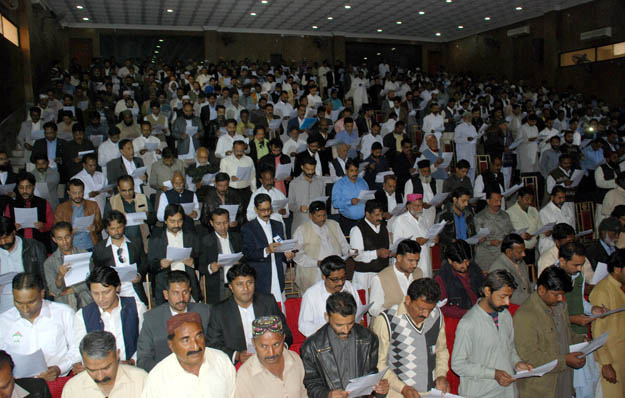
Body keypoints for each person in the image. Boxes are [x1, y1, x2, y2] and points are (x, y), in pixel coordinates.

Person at [451, 270, 532, 398]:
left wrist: (517, 363)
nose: (507, 303)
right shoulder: (468, 323)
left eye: (509, 297)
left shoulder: (505, 315)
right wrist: (493, 374)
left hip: (507, 391)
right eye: (502, 296)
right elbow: (458, 364)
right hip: (481, 393)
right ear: (487, 291)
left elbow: (509, 348)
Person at [513, 266, 587, 398]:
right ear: (541, 290)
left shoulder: (560, 307)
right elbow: (530, 356)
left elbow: (566, 335)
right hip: (541, 387)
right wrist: (564, 360)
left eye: (562, 295)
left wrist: (582, 341)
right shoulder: (525, 315)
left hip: (563, 378)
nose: (560, 299)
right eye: (556, 294)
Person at [300, 292, 389, 398]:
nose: (346, 330)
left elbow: (371, 375)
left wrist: (380, 389)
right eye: (339, 325)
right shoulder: (311, 347)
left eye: (350, 323)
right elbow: (311, 385)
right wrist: (328, 395)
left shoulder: (368, 339)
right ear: (327, 317)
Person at [372, 278, 449, 397]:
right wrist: (402, 388)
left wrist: (441, 375)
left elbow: (441, 350)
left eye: (430, 309)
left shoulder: (437, 315)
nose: (426, 314)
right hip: (398, 393)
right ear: (408, 300)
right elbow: (379, 364)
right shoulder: (387, 320)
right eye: (421, 308)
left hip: (430, 392)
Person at [206, 263, 291, 365]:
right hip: (239, 364)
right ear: (230, 287)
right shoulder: (219, 311)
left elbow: (285, 332)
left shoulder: (268, 302)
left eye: (249, 283)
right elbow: (212, 344)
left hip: (271, 358)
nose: (246, 288)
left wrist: (279, 349)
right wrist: (237, 355)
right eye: (239, 284)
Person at [0, 273, 78, 381]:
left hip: (56, 381)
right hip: (18, 385)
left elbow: (77, 348)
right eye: (19, 303)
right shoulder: (3, 321)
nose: (25, 309)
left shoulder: (63, 313)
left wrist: (59, 368)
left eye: (31, 302)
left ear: (42, 294)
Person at [140, 312, 236, 398]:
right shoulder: (158, 378)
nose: (195, 346)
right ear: (171, 345)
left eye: (199, 336)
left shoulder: (222, 361)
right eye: (186, 340)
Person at [136, 271, 210, 372]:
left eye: (185, 292)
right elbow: (143, 359)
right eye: (176, 293)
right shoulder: (152, 319)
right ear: (166, 294)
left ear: (190, 291)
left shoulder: (205, 312)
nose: (181, 298)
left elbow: (214, 346)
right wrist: (167, 372)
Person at [73, 266, 147, 367]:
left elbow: (146, 342)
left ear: (117, 287)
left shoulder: (136, 307)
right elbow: (79, 349)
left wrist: (133, 361)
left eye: (106, 292)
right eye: (95, 293)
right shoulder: (82, 315)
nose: (101, 298)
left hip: (133, 369)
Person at [235, 315, 307, 398]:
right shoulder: (244, 376)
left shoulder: (295, 359)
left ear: (283, 339)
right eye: (264, 346)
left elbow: (304, 394)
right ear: (254, 343)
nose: (271, 353)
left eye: (276, 344)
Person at [241, 194, 295, 303]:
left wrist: (287, 254)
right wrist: (266, 250)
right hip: (261, 276)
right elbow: (247, 254)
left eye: (269, 209)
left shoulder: (278, 225)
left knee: (280, 307)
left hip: (278, 273)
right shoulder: (248, 228)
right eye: (263, 210)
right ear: (256, 209)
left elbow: (281, 246)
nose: (266, 213)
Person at [63, 331, 148, 398]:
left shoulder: (141, 380)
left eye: (106, 368)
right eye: (92, 370)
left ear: (117, 354)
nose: (100, 377)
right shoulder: (73, 388)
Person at [147, 204, 202, 304]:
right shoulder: (156, 239)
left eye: (179, 221)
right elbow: (150, 265)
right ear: (165, 221)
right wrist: (160, 264)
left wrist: (193, 262)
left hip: (188, 282)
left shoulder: (191, 236)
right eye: (172, 221)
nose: (176, 225)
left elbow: (201, 258)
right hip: (165, 284)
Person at [91, 211, 148, 305]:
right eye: (112, 229)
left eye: (119, 227)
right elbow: (96, 270)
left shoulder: (135, 243)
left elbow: (144, 262)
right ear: (106, 229)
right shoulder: (100, 248)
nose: (117, 231)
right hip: (111, 291)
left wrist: (139, 275)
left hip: (134, 288)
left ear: (124, 226)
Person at [590, 249, 625, 397]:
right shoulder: (603, 291)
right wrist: (606, 364)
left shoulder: (620, 286)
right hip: (612, 359)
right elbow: (597, 331)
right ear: (618, 269)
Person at [298, 256, 363, 337]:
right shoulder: (311, 294)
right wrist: (326, 333)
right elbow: (304, 325)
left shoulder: (349, 287)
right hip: (324, 339)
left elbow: (359, 313)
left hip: (350, 335)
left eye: (343, 278)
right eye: (335, 279)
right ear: (324, 277)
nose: (340, 283)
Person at [0, 216, 47, 313]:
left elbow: (45, 278)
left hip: (31, 298)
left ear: (14, 231)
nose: (3, 242)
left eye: (6, 237)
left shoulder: (35, 247)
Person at [198, 207, 243, 304]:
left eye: (225, 222)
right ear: (211, 223)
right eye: (218, 224)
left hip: (236, 282)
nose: (222, 227)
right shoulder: (206, 241)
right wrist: (210, 267)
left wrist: (240, 263)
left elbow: (245, 257)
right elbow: (200, 265)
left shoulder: (237, 237)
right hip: (217, 285)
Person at [43, 222, 92, 310]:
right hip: (64, 306)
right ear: (54, 240)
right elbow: (54, 291)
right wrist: (60, 276)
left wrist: (74, 289)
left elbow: (92, 280)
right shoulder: (49, 263)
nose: (65, 241)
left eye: (67, 237)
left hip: (86, 302)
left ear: (72, 235)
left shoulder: (84, 254)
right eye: (60, 238)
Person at [369, 239, 425, 317]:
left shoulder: (418, 272)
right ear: (399, 258)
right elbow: (373, 309)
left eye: (417, 261)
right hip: (389, 324)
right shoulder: (380, 278)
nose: (415, 265)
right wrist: (396, 315)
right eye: (410, 260)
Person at [103, 175, 156, 251]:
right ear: (118, 188)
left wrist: (148, 216)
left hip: (142, 240)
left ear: (134, 187)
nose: (128, 193)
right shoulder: (112, 202)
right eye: (124, 190)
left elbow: (154, 219)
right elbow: (106, 224)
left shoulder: (142, 198)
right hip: (122, 241)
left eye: (130, 190)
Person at [349, 200, 392, 293]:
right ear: (367, 214)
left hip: (382, 274)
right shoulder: (357, 229)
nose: (380, 218)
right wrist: (376, 253)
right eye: (377, 215)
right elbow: (355, 255)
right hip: (364, 277)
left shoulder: (384, 227)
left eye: (381, 215)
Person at [435, 240, 485, 319]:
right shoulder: (442, 278)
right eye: (460, 263)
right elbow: (441, 308)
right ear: (450, 261)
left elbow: (484, 290)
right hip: (459, 319)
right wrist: (468, 313)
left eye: (467, 261)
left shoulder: (474, 268)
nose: (465, 265)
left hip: (480, 312)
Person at [5, 171, 54, 251]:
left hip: (40, 245)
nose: (25, 191)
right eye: (21, 187)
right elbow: (6, 226)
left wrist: (43, 226)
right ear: (17, 188)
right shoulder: (11, 205)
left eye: (28, 187)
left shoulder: (43, 203)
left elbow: (50, 223)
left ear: (33, 187)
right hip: (18, 246)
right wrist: (13, 228)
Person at [391, 194, 437, 278]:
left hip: (425, 262)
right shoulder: (400, 221)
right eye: (417, 206)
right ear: (408, 206)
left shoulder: (423, 219)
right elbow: (397, 248)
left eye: (421, 206)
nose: (420, 209)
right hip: (410, 267)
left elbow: (428, 242)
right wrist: (415, 242)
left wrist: (432, 239)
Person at [54, 178, 103, 251]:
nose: (77, 196)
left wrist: (95, 227)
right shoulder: (61, 209)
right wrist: (69, 232)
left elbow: (100, 224)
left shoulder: (93, 205)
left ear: (83, 191)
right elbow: (56, 230)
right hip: (71, 247)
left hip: (90, 245)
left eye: (80, 192)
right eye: (74, 193)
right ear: (68, 192)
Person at [474, 185, 514, 271]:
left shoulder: (505, 216)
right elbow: (477, 240)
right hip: (486, 255)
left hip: (502, 253)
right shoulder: (479, 217)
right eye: (496, 201)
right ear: (488, 201)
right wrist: (490, 242)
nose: (499, 204)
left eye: (500, 201)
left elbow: (511, 232)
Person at [488, 234, 532, 305]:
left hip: (525, 300)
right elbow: (511, 296)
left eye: (524, 251)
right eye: (520, 252)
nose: (524, 254)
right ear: (508, 251)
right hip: (510, 305)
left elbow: (527, 284)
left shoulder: (519, 261)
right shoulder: (499, 268)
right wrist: (533, 300)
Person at [506, 186, 542, 266]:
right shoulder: (509, 212)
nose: (529, 202)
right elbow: (508, 232)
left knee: (531, 271)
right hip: (518, 251)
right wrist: (520, 236)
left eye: (531, 200)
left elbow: (540, 227)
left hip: (532, 248)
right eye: (527, 199)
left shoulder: (534, 210)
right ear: (519, 198)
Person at [332, 159, 369, 234]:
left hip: (363, 221)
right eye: (351, 171)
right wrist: (350, 202)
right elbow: (335, 203)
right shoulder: (339, 184)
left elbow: (368, 197)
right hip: (347, 222)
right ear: (346, 171)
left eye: (356, 170)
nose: (354, 173)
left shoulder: (363, 182)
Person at [288, 156, 325, 232]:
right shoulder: (294, 183)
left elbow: (324, 202)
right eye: (308, 169)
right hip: (300, 223)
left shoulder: (320, 182)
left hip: (318, 224)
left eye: (313, 169)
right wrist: (299, 208)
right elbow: (290, 205)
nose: (310, 172)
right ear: (302, 167)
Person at [437, 187, 476, 254]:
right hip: (451, 253)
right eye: (463, 201)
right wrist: (452, 241)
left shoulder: (469, 214)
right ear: (455, 199)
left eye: (467, 201)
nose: (466, 204)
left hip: (468, 251)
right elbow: (438, 236)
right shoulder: (444, 215)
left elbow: (472, 232)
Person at [539, 185, 576, 255]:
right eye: (559, 198)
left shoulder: (567, 207)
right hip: (550, 245)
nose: (562, 200)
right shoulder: (544, 212)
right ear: (552, 197)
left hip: (567, 244)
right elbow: (547, 234)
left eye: (564, 198)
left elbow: (572, 225)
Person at [454, 112, 478, 183]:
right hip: (463, 152)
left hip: (472, 152)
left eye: (471, 117)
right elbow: (456, 139)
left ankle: (471, 189)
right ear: (464, 118)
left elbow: (475, 137)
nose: (470, 118)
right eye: (468, 117)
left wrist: (475, 139)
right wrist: (467, 139)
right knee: (463, 171)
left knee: (472, 172)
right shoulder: (459, 127)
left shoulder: (473, 127)